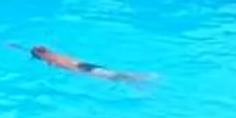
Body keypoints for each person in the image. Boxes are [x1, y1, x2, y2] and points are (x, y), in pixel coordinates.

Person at [18, 43, 152, 84]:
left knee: (115, 78)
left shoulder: (51, 60)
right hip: (87, 64)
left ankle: (140, 80)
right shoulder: (55, 55)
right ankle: (140, 77)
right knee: (114, 74)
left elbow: (69, 68)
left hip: (83, 69)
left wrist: (80, 75)